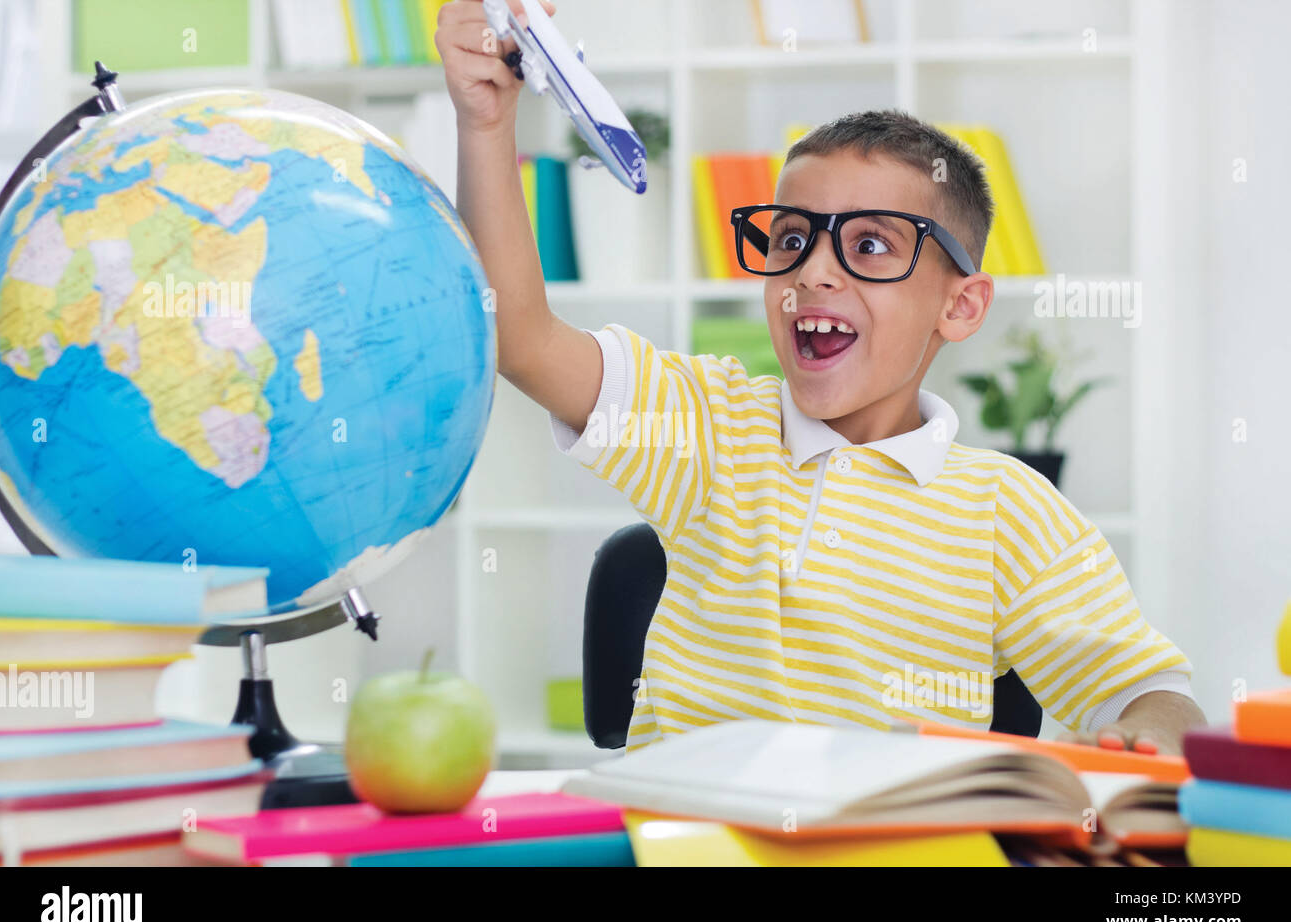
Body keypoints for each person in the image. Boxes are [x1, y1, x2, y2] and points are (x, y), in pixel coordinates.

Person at [436, 0, 1206, 754]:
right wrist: (486, 124)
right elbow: (521, 337)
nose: (815, 272)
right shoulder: (709, 425)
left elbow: (1147, 690)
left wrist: (1150, 733)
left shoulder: (1012, 515)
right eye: (793, 238)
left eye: (870, 246)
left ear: (960, 306)